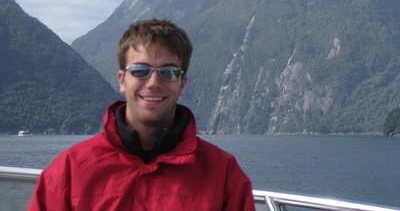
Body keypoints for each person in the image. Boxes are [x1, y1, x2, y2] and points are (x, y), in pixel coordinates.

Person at [28, 18, 256, 211]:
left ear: (182, 83)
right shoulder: (68, 171)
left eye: (168, 72)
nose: (153, 83)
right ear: (122, 80)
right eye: (140, 70)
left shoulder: (224, 174)